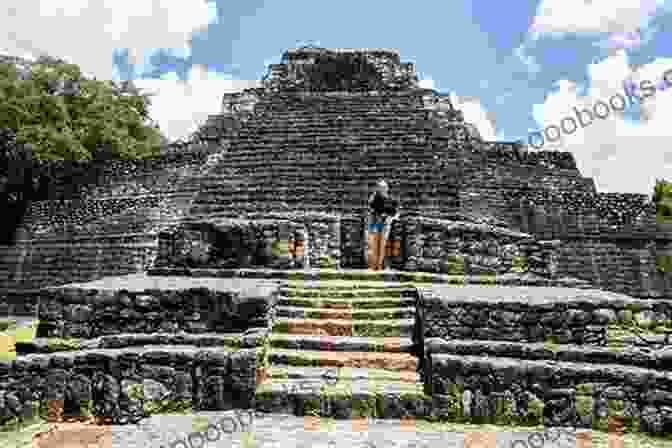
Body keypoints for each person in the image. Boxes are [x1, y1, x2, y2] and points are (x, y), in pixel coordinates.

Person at [366, 180, 399, 270]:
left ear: (387, 188)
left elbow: (396, 213)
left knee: (383, 244)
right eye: (380, 187)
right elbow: (370, 209)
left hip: (386, 224)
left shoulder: (392, 200)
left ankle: (381, 265)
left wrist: (390, 218)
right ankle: (374, 264)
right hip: (376, 223)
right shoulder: (375, 199)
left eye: (383, 187)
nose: (382, 189)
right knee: (374, 244)